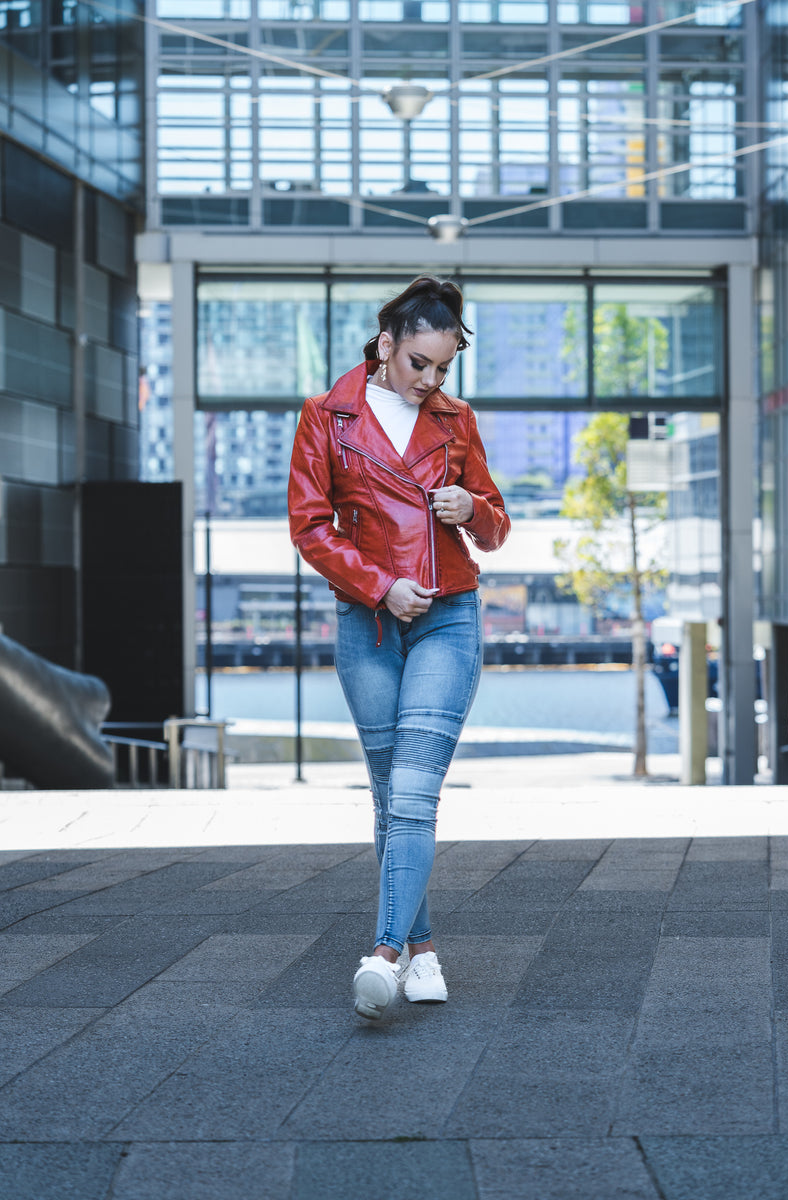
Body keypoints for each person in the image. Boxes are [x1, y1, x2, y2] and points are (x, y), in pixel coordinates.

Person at [288, 276, 510, 1020]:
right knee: (389, 797)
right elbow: (310, 527)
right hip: (370, 622)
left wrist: (472, 507)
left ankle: (382, 954)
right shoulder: (327, 416)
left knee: (415, 792)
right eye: (419, 363)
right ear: (387, 346)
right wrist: (379, 585)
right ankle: (423, 951)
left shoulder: (457, 421)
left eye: (443, 368)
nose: (430, 381)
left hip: (449, 615)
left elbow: (497, 526)